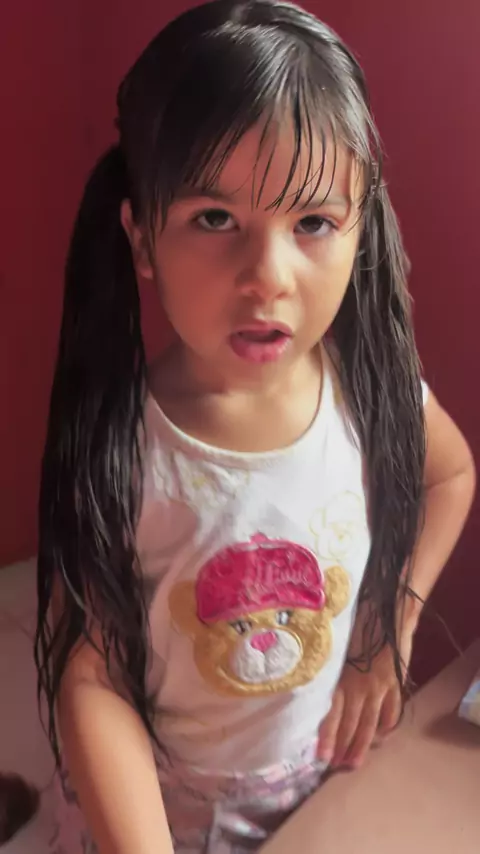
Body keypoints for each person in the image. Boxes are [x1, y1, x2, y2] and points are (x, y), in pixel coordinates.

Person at [34, 1, 476, 852]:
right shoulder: (125, 443)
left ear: (360, 227)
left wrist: (388, 624)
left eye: (312, 223)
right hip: (158, 814)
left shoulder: (373, 394)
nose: (267, 276)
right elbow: (92, 678)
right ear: (142, 238)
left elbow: (450, 474)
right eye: (215, 220)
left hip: (314, 795)